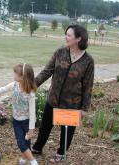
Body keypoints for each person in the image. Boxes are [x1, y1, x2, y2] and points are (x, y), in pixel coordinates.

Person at [31, 25, 94, 163]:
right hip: (53, 99)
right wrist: (33, 85)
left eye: (69, 35)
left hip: (71, 104)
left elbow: (88, 85)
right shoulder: (60, 52)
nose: (66, 37)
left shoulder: (88, 61)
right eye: (66, 34)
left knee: (67, 132)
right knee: (45, 127)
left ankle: (61, 153)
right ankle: (37, 147)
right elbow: (47, 71)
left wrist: (84, 108)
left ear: (78, 38)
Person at [0, 63, 38, 165]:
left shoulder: (30, 93)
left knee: (23, 143)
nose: (13, 74)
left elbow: (32, 113)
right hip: (16, 121)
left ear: (22, 77)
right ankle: (25, 159)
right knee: (23, 143)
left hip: (26, 122)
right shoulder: (14, 85)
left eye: (15, 73)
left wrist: (31, 130)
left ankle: (33, 162)